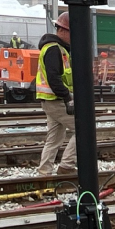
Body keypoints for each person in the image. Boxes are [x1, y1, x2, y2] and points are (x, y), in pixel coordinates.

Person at [36, 13, 76, 175]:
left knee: (54, 138)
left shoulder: (57, 49)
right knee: (83, 131)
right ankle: (67, 166)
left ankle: (44, 171)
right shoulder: (54, 49)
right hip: (56, 100)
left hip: (50, 100)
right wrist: (68, 97)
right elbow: (54, 78)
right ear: (64, 31)